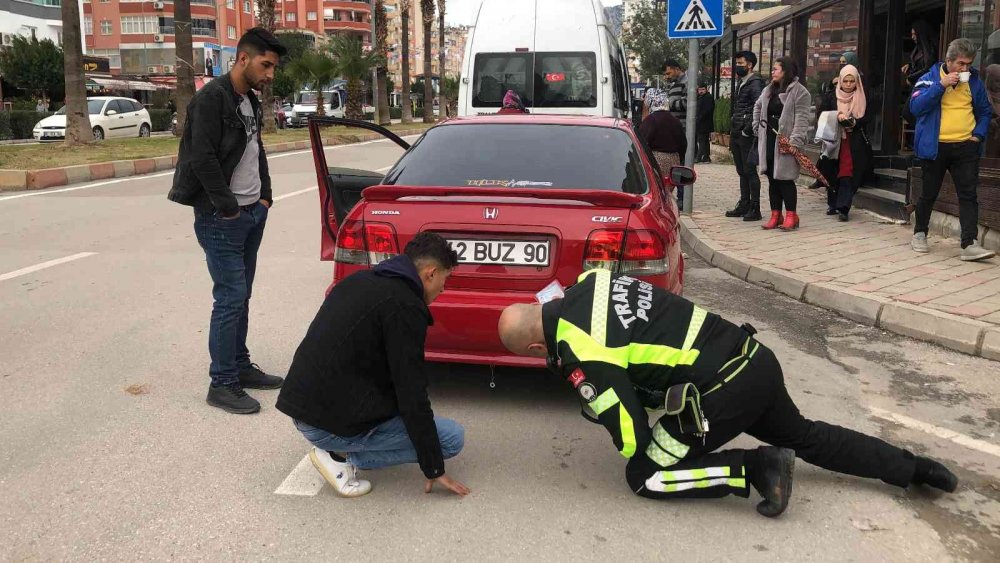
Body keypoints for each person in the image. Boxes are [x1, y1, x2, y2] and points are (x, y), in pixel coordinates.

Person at [497, 270, 959, 518]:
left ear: (538, 347)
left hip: (720, 393)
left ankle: (756, 467)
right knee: (808, 435)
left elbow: (633, 436)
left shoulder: (580, 351)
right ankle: (914, 468)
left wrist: (595, 403)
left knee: (643, 475)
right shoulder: (591, 283)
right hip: (753, 359)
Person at [276, 233, 470, 499]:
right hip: (324, 423)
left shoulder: (362, 280)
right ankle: (342, 458)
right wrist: (433, 467)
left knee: (404, 411)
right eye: (445, 280)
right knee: (450, 438)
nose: (443, 289)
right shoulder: (405, 307)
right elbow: (411, 392)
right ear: (430, 273)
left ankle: (342, 446)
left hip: (303, 407)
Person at [167, 28, 288, 414]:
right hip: (223, 217)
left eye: (273, 67)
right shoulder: (211, 100)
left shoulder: (248, 100)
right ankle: (221, 383)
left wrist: (265, 196)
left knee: (242, 296)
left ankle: (239, 365)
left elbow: (256, 150)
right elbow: (200, 158)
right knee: (230, 298)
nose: (270, 75)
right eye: (265, 65)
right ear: (243, 59)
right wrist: (228, 207)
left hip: (253, 212)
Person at [909, 38, 996, 262]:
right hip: (935, 147)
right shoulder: (928, 79)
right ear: (948, 61)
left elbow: (986, 111)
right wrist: (942, 85)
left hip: (966, 146)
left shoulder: (974, 81)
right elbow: (916, 108)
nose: (965, 68)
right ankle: (920, 233)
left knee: (968, 195)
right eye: (961, 64)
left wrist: (978, 135)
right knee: (929, 193)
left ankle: (969, 244)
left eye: (968, 64)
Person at [753, 57, 812, 231]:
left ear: (786, 71)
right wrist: (757, 126)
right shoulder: (769, 90)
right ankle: (775, 214)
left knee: (785, 180)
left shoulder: (800, 92)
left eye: (776, 69)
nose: (773, 72)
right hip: (769, 140)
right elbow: (757, 107)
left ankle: (791, 215)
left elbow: (802, 119)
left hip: (786, 142)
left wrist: (794, 141)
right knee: (772, 179)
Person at [829, 65, 873, 221]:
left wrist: (855, 122)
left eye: (852, 81)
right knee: (833, 172)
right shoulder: (832, 96)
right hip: (835, 141)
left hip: (854, 142)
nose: (848, 84)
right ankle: (833, 203)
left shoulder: (862, 96)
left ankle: (843, 207)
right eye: (845, 81)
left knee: (848, 173)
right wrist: (837, 115)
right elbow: (823, 113)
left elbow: (868, 117)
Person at [726, 51, 765, 221]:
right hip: (736, 131)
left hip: (745, 133)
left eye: (741, 63)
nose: (738, 66)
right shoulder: (742, 83)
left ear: (750, 65)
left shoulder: (755, 83)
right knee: (741, 171)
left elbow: (759, 106)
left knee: (749, 171)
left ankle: (755, 207)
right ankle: (744, 203)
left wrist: (747, 129)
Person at [638, 88, 687, 206]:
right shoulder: (675, 120)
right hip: (674, 160)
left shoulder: (650, 120)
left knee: (656, 190)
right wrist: (678, 159)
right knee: (667, 191)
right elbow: (683, 144)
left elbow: (642, 143)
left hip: (656, 160)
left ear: (650, 101)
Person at [904, 21, 937, 87]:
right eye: (912, 34)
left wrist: (911, 78)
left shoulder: (930, 50)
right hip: (916, 84)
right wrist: (909, 65)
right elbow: (918, 64)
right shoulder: (918, 48)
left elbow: (927, 68)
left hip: (924, 85)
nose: (912, 37)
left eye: (914, 34)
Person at [663, 59, 688, 130]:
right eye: (665, 74)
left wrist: (668, 103)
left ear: (677, 69)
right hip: (675, 126)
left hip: (683, 127)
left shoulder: (686, 82)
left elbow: (687, 104)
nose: (667, 77)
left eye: (668, 73)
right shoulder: (674, 84)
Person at [695, 82, 715, 163]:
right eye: (700, 89)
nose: (701, 91)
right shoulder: (699, 97)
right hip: (701, 123)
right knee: (705, 141)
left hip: (705, 123)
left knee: (702, 140)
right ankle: (706, 157)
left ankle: (699, 157)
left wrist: (699, 117)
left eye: (703, 89)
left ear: (706, 89)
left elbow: (708, 110)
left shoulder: (708, 97)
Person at [985, 64, 1000, 158]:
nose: (999, 85)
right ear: (989, 80)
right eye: (997, 81)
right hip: (988, 142)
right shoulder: (983, 96)